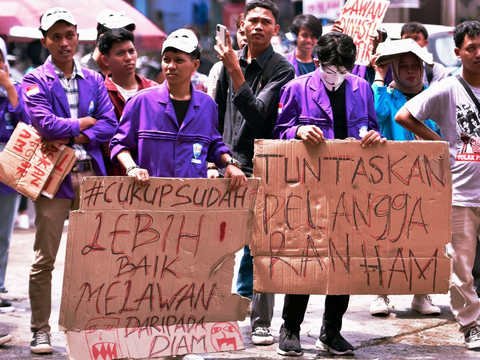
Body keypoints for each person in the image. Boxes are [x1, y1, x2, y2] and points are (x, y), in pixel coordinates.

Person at [273, 32, 385, 356]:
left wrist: (374, 137)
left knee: (345, 260)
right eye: (330, 68)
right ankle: (290, 327)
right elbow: (277, 134)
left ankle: (331, 330)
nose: (336, 75)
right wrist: (297, 131)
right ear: (318, 62)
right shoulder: (296, 88)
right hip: (309, 189)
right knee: (305, 257)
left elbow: (372, 127)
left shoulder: (362, 88)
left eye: (343, 69)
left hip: (351, 188)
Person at [22, 7, 116, 354]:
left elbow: (109, 125)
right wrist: (84, 124)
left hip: (92, 178)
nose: (64, 42)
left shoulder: (93, 79)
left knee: (95, 257)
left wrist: (74, 135)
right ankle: (40, 330)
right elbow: (44, 125)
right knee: (44, 259)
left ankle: (86, 326)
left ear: (78, 36)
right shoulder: (34, 79)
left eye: (69, 35)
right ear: (45, 40)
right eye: (56, 36)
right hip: (52, 179)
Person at [214, 0, 295, 346]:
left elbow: (261, 114)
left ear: (276, 30)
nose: (259, 26)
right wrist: (217, 157)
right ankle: (218, 312)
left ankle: (260, 321)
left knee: (260, 247)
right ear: (241, 26)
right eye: (253, 21)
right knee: (218, 243)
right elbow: (216, 115)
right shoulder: (226, 66)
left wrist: (235, 69)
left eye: (266, 22)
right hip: (226, 164)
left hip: (263, 165)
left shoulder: (283, 70)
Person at [395, 20, 480, 350]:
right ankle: (471, 325)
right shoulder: (447, 88)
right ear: (458, 52)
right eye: (471, 48)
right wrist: (439, 142)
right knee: (461, 267)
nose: (478, 53)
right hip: (460, 193)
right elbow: (405, 115)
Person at [110, 28, 246, 192]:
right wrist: (132, 168)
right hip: (148, 197)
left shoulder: (207, 105)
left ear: (195, 65)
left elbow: (213, 144)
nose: (171, 66)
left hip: (192, 199)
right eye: (166, 60)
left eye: (179, 60)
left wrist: (230, 163)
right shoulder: (141, 102)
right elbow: (119, 144)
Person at [368, 39, 443, 316]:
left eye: (415, 66)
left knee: (424, 235)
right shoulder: (386, 94)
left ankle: (421, 295)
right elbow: (378, 115)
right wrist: (378, 76)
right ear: (395, 70)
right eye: (403, 67)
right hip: (391, 177)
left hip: (427, 179)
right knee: (386, 235)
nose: (410, 71)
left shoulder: (433, 95)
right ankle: (380, 294)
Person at [97, 28, 157, 175]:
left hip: (151, 174)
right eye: (120, 53)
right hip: (112, 176)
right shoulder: (99, 92)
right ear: (105, 60)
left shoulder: (153, 90)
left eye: (131, 51)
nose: (129, 57)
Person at [0, 38, 29, 313]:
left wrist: (9, 87)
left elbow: (26, 123)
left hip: (7, 165)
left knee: (2, 232)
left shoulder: (15, 87)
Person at [81, 9, 136, 77]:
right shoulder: (82, 76)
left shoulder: (125, 76)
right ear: (102, 40)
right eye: (121, 40)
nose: (128, 57)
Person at [207, 13, 247, 99]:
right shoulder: (219, 68)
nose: (245, 38)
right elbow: (212, 105)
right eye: (242, 33)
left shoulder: (272, 66)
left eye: (249, 33)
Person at [400, 22, 448, 86]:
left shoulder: (436, 69)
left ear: (425, 43)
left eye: (416, 38)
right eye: (407, 38)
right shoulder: (392, 68)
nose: (411, 42)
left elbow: (434, 94)